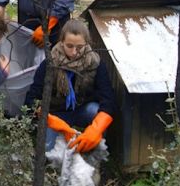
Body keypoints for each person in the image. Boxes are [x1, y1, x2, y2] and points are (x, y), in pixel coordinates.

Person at [23, 19, 115, 153]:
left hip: (81, 110)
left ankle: (94, 153)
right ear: (61, 42)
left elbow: (109, 99)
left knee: (95, 111)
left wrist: (96, 129)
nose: (74, 52)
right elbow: (31, 99)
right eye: (69, 46)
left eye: (79, 47)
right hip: (56, 114)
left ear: (87, 43)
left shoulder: (95, 63)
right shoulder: (50, 63)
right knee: (47, 152)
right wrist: (51, 119)